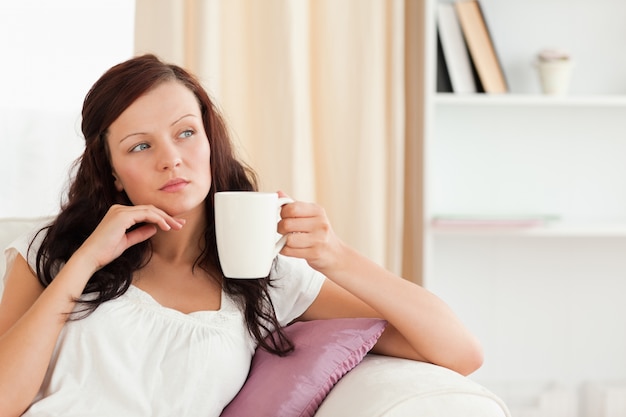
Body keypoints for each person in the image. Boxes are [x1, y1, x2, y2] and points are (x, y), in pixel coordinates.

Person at [0, 54, 482, 416]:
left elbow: (460, 352)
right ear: (113, 174)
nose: (171, 158)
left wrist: (336, 256)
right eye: (141, 145)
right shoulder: (53, 250)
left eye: (185, 133)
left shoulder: (265, 276)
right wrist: (85, 262)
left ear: (210, 140)